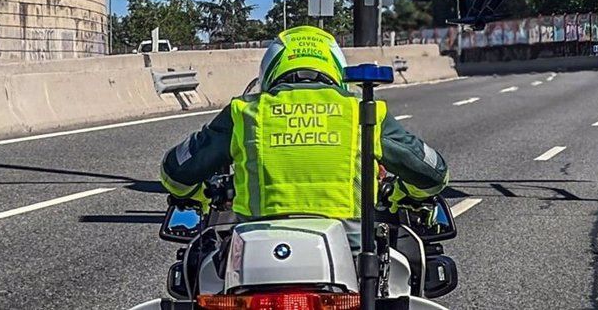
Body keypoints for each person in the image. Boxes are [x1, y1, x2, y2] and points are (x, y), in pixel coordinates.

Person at [160, 25, 449, 244]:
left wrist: (202, 193)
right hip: (351, 250)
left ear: (270, 70)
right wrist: (400, 193)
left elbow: (176, 172)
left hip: (257, 246)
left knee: (204, 268)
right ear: (335, 68)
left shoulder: (245, 112)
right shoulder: (361, 110)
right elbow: (433, 173)